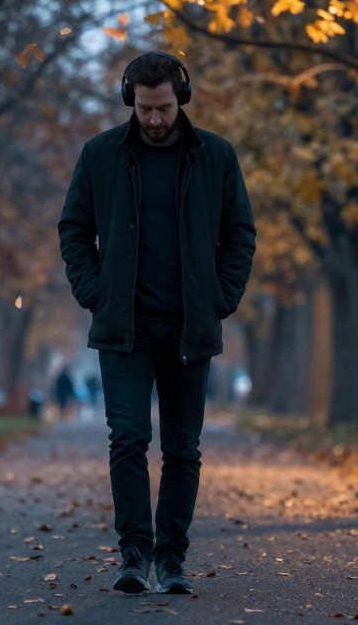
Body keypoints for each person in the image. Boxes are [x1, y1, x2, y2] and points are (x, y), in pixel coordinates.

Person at [57, 51, 256, 595]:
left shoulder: (216, 155)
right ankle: (134, 555)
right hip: (124, 327)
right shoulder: (100, 155)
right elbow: (74, 229)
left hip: (191, 327)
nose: (154, 118)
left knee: (183, 448)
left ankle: (171, 559)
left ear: (181, 98)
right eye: (144, 107)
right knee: (127, 438)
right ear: (130, 100)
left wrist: (221, 297)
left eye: (163, 107)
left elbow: (240, 234)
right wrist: (94, 292)